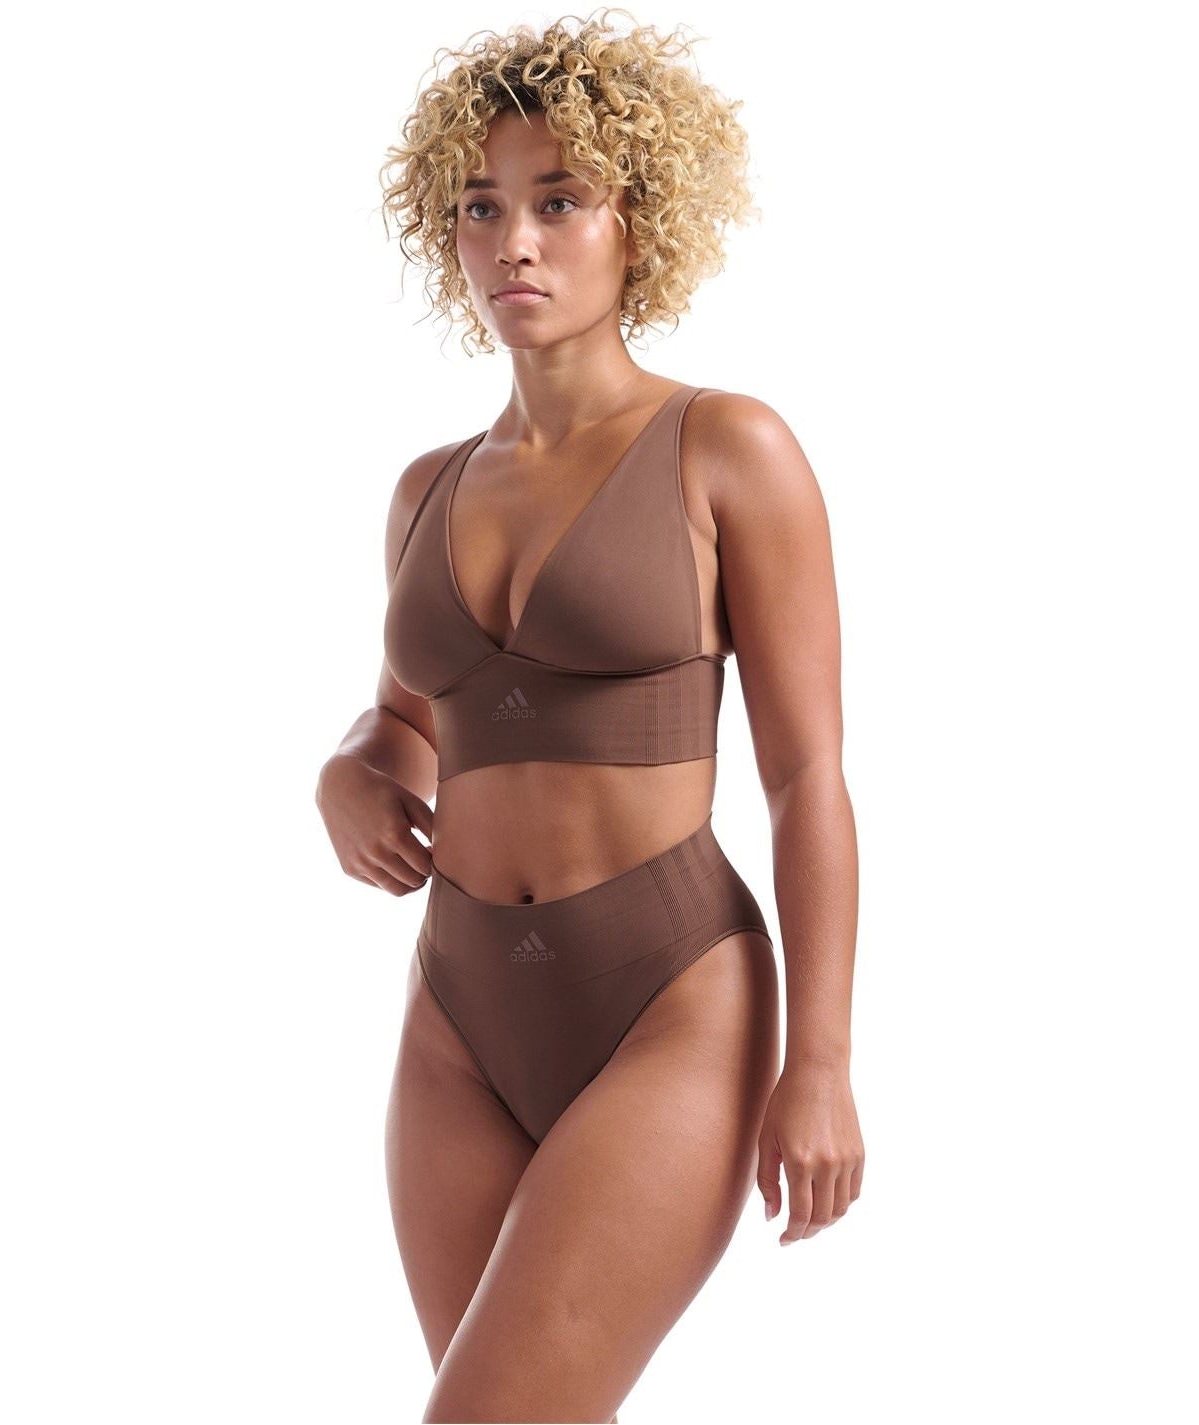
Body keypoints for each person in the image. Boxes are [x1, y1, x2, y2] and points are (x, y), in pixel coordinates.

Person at [315, 10, 863, 1420]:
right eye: (480, 207)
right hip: (457, 1011)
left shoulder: (727, 448)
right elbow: (407, 719)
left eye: (559, 201)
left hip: (668, 996)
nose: (515, 241)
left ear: (639, 219)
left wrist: (820, 1063)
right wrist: (351, 769)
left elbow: (806, 777)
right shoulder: (428, 488)